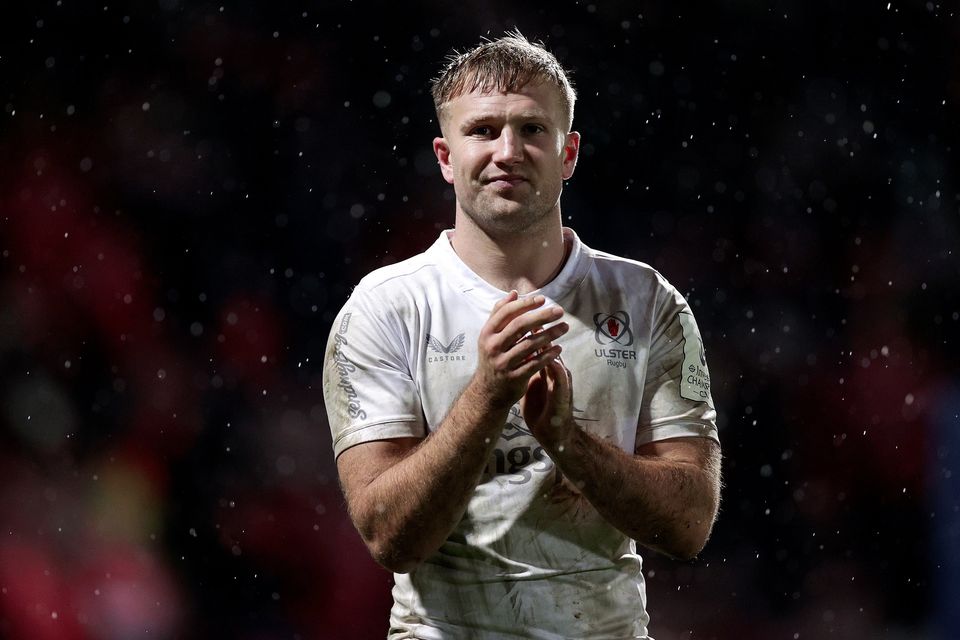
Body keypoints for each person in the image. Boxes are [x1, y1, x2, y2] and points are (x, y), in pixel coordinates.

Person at [323, 31, 721, 639]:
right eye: (482, 130)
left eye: (532, 129)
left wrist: (568, 442)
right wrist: (487, 396)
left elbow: (690, 524)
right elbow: (388, 536)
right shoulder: (385, 309)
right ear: (445, 157)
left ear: (569, 154)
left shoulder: (647, 302)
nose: (507, 150)